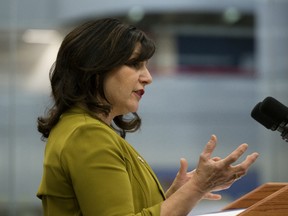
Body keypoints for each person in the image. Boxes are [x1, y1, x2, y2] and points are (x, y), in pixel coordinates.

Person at [36, 18, 259, 216]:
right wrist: (198, 187)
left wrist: (177, 193)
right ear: (95, 67)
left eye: (146, 66)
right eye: (135, 64)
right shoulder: (87, 135)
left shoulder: (85, 129)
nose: (148, 77)